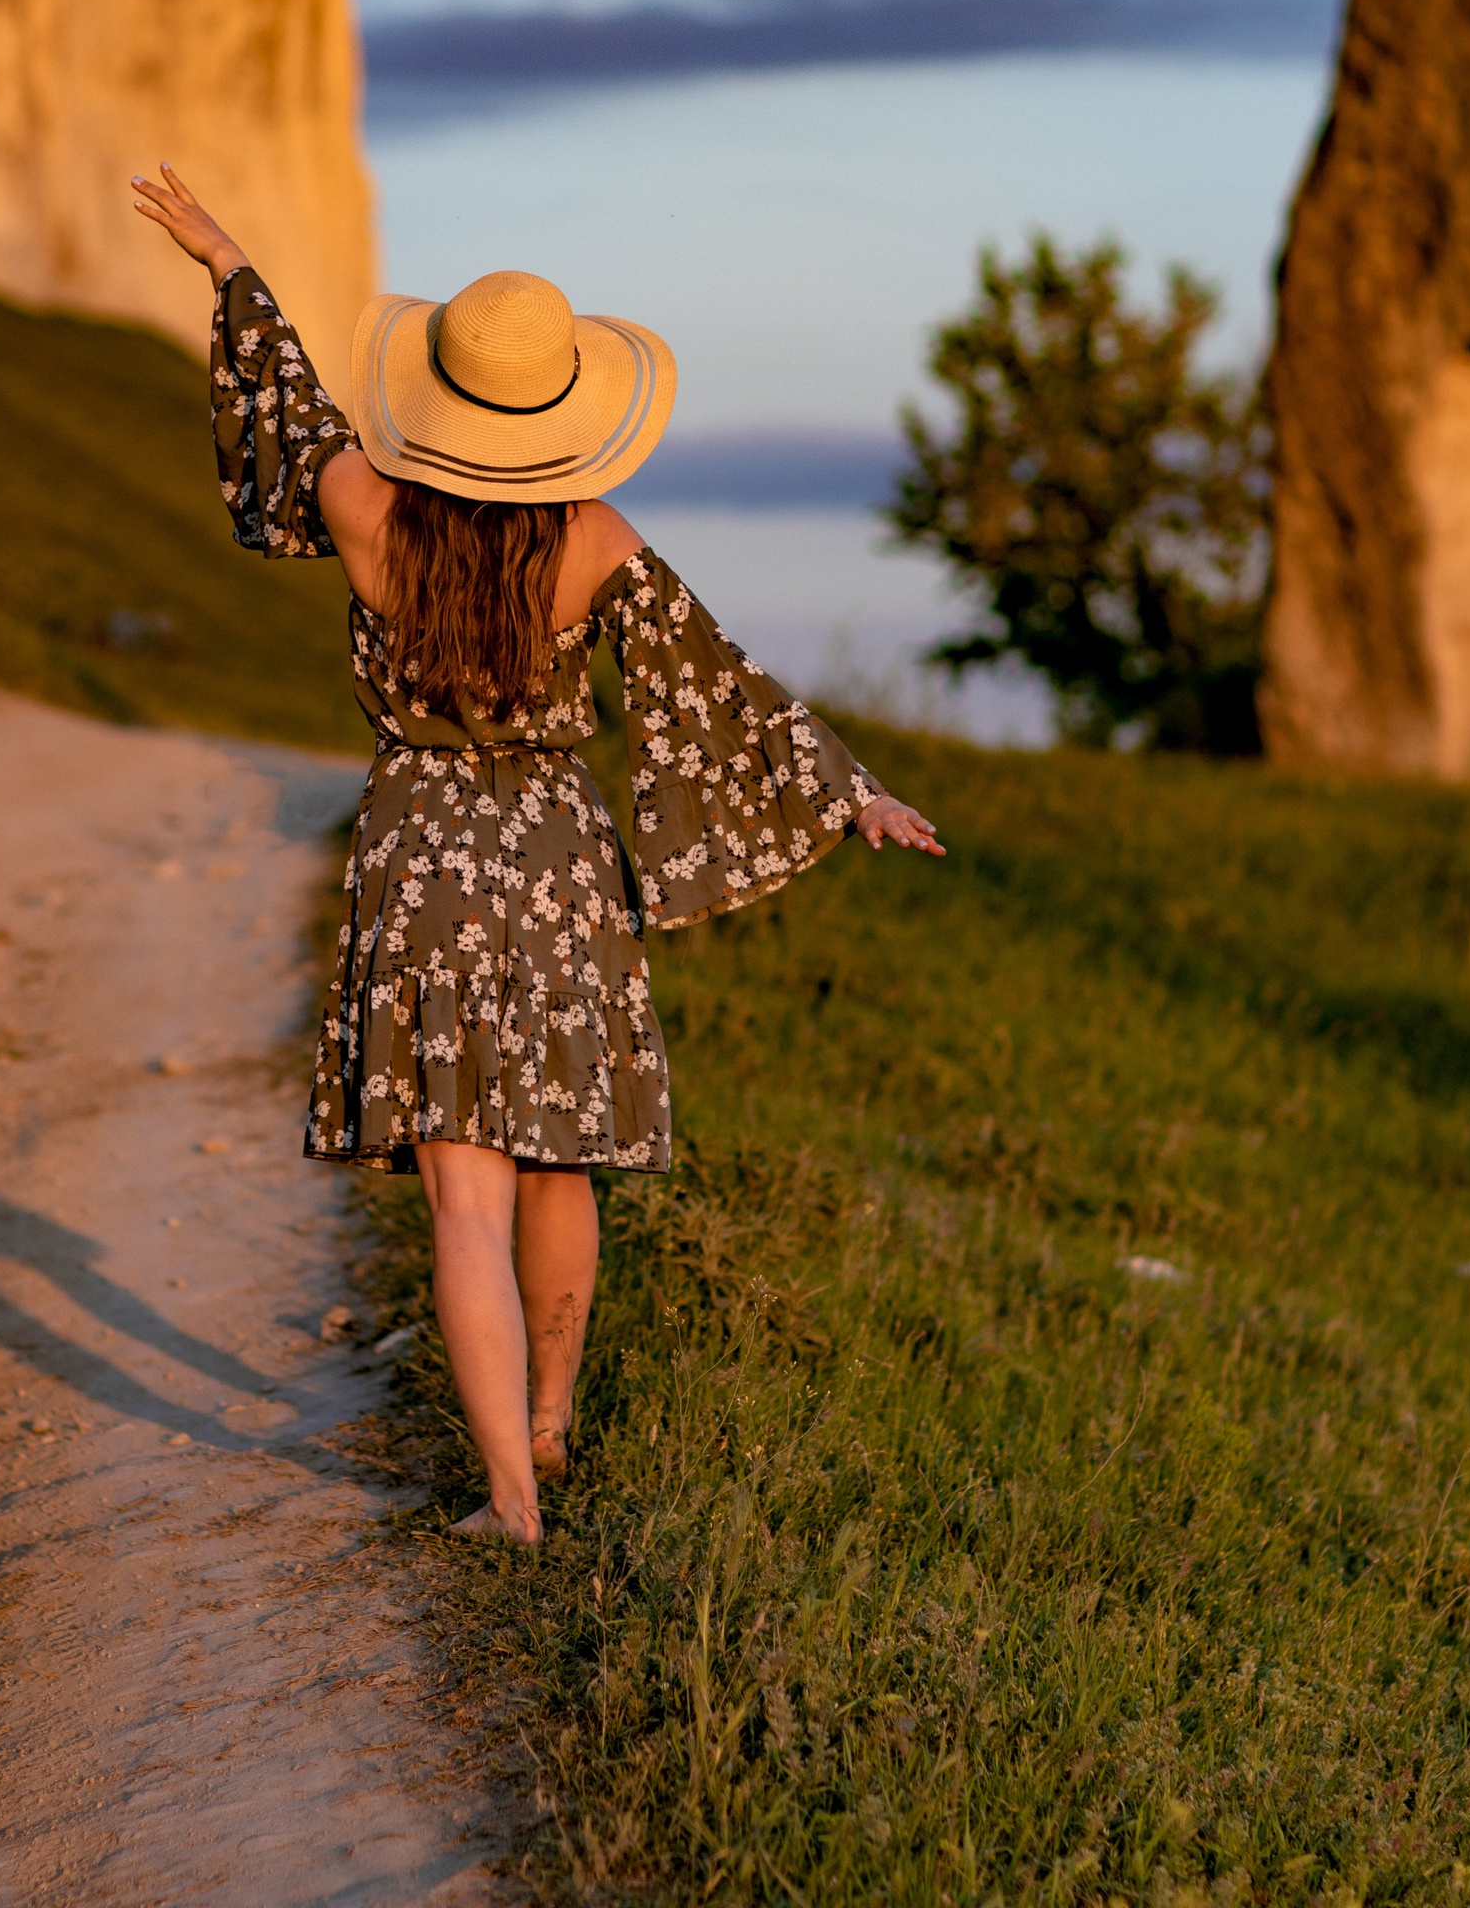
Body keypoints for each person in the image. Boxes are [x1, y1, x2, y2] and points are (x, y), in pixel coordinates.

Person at [131, 168, 943, 1543]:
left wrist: (230, 264)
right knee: (560, 1162)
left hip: (422, 845)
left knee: (464, 1194)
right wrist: (847, 791)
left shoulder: (357, 505)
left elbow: (288, 404)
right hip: (560, 852)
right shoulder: (599, 540)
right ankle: (553, 1421)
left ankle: (511, 1497)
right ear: (566, 414)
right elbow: (718, 687)